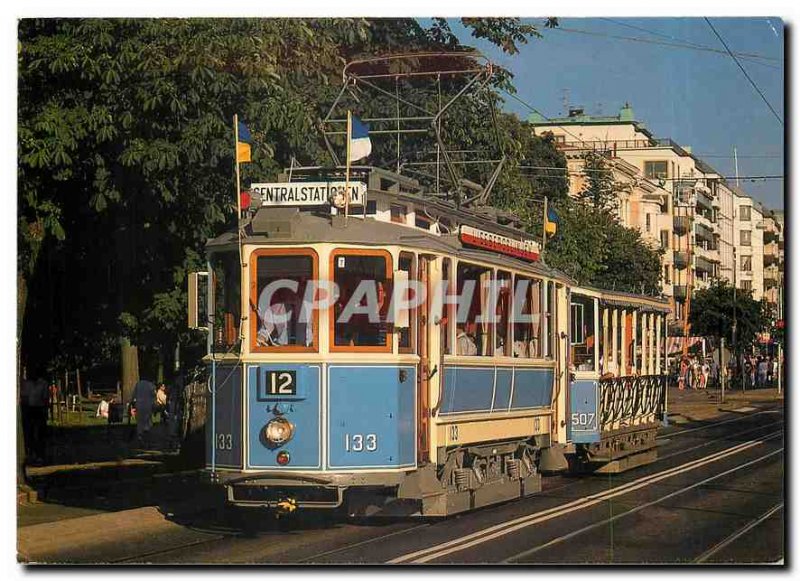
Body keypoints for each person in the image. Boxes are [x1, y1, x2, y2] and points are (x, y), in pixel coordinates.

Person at [20, 377, 49, 464]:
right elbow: (24, 398)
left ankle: (40, 455)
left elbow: (46, 399)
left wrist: (45, 411)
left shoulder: (43, 383)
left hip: (39, 410)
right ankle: (31, 454)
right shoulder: (26, 384)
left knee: (40, 434)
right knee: (30, 433)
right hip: (30, 410)